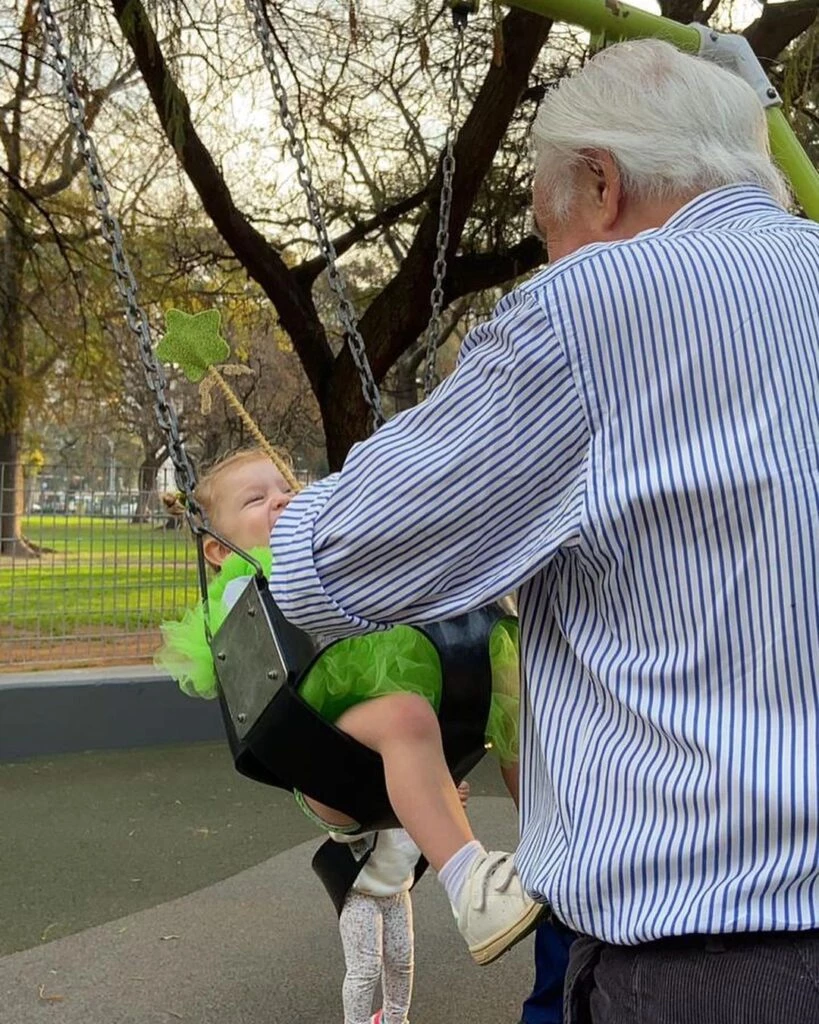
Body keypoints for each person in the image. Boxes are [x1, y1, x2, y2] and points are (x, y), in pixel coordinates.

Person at [262, 39, 819, 1023]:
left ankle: (472, 874)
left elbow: (332, 563)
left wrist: (286, 512)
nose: (550, 256)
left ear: (600, 184)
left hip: (715, 957)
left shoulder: (601, 306)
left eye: (547, 227)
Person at [156, 448, 538, 967]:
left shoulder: (327, 559)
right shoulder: (242, 586)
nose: (280, 500)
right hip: (325, 760)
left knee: (506, 687)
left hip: (387, 733)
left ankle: (554, 839)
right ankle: (471, 886)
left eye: (284, 489)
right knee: (406, 715)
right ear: (218, 551)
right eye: (255, 499)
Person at [331, 782, 470, 1024]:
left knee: (401, 960)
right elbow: (339, 831)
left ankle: (394, 1019)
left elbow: (440, 826)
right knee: (365, 969)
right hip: (360, 892)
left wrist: (449, 800)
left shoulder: (419, 787)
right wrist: (393, 805)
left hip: (398, 891)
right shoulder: (371, 783)